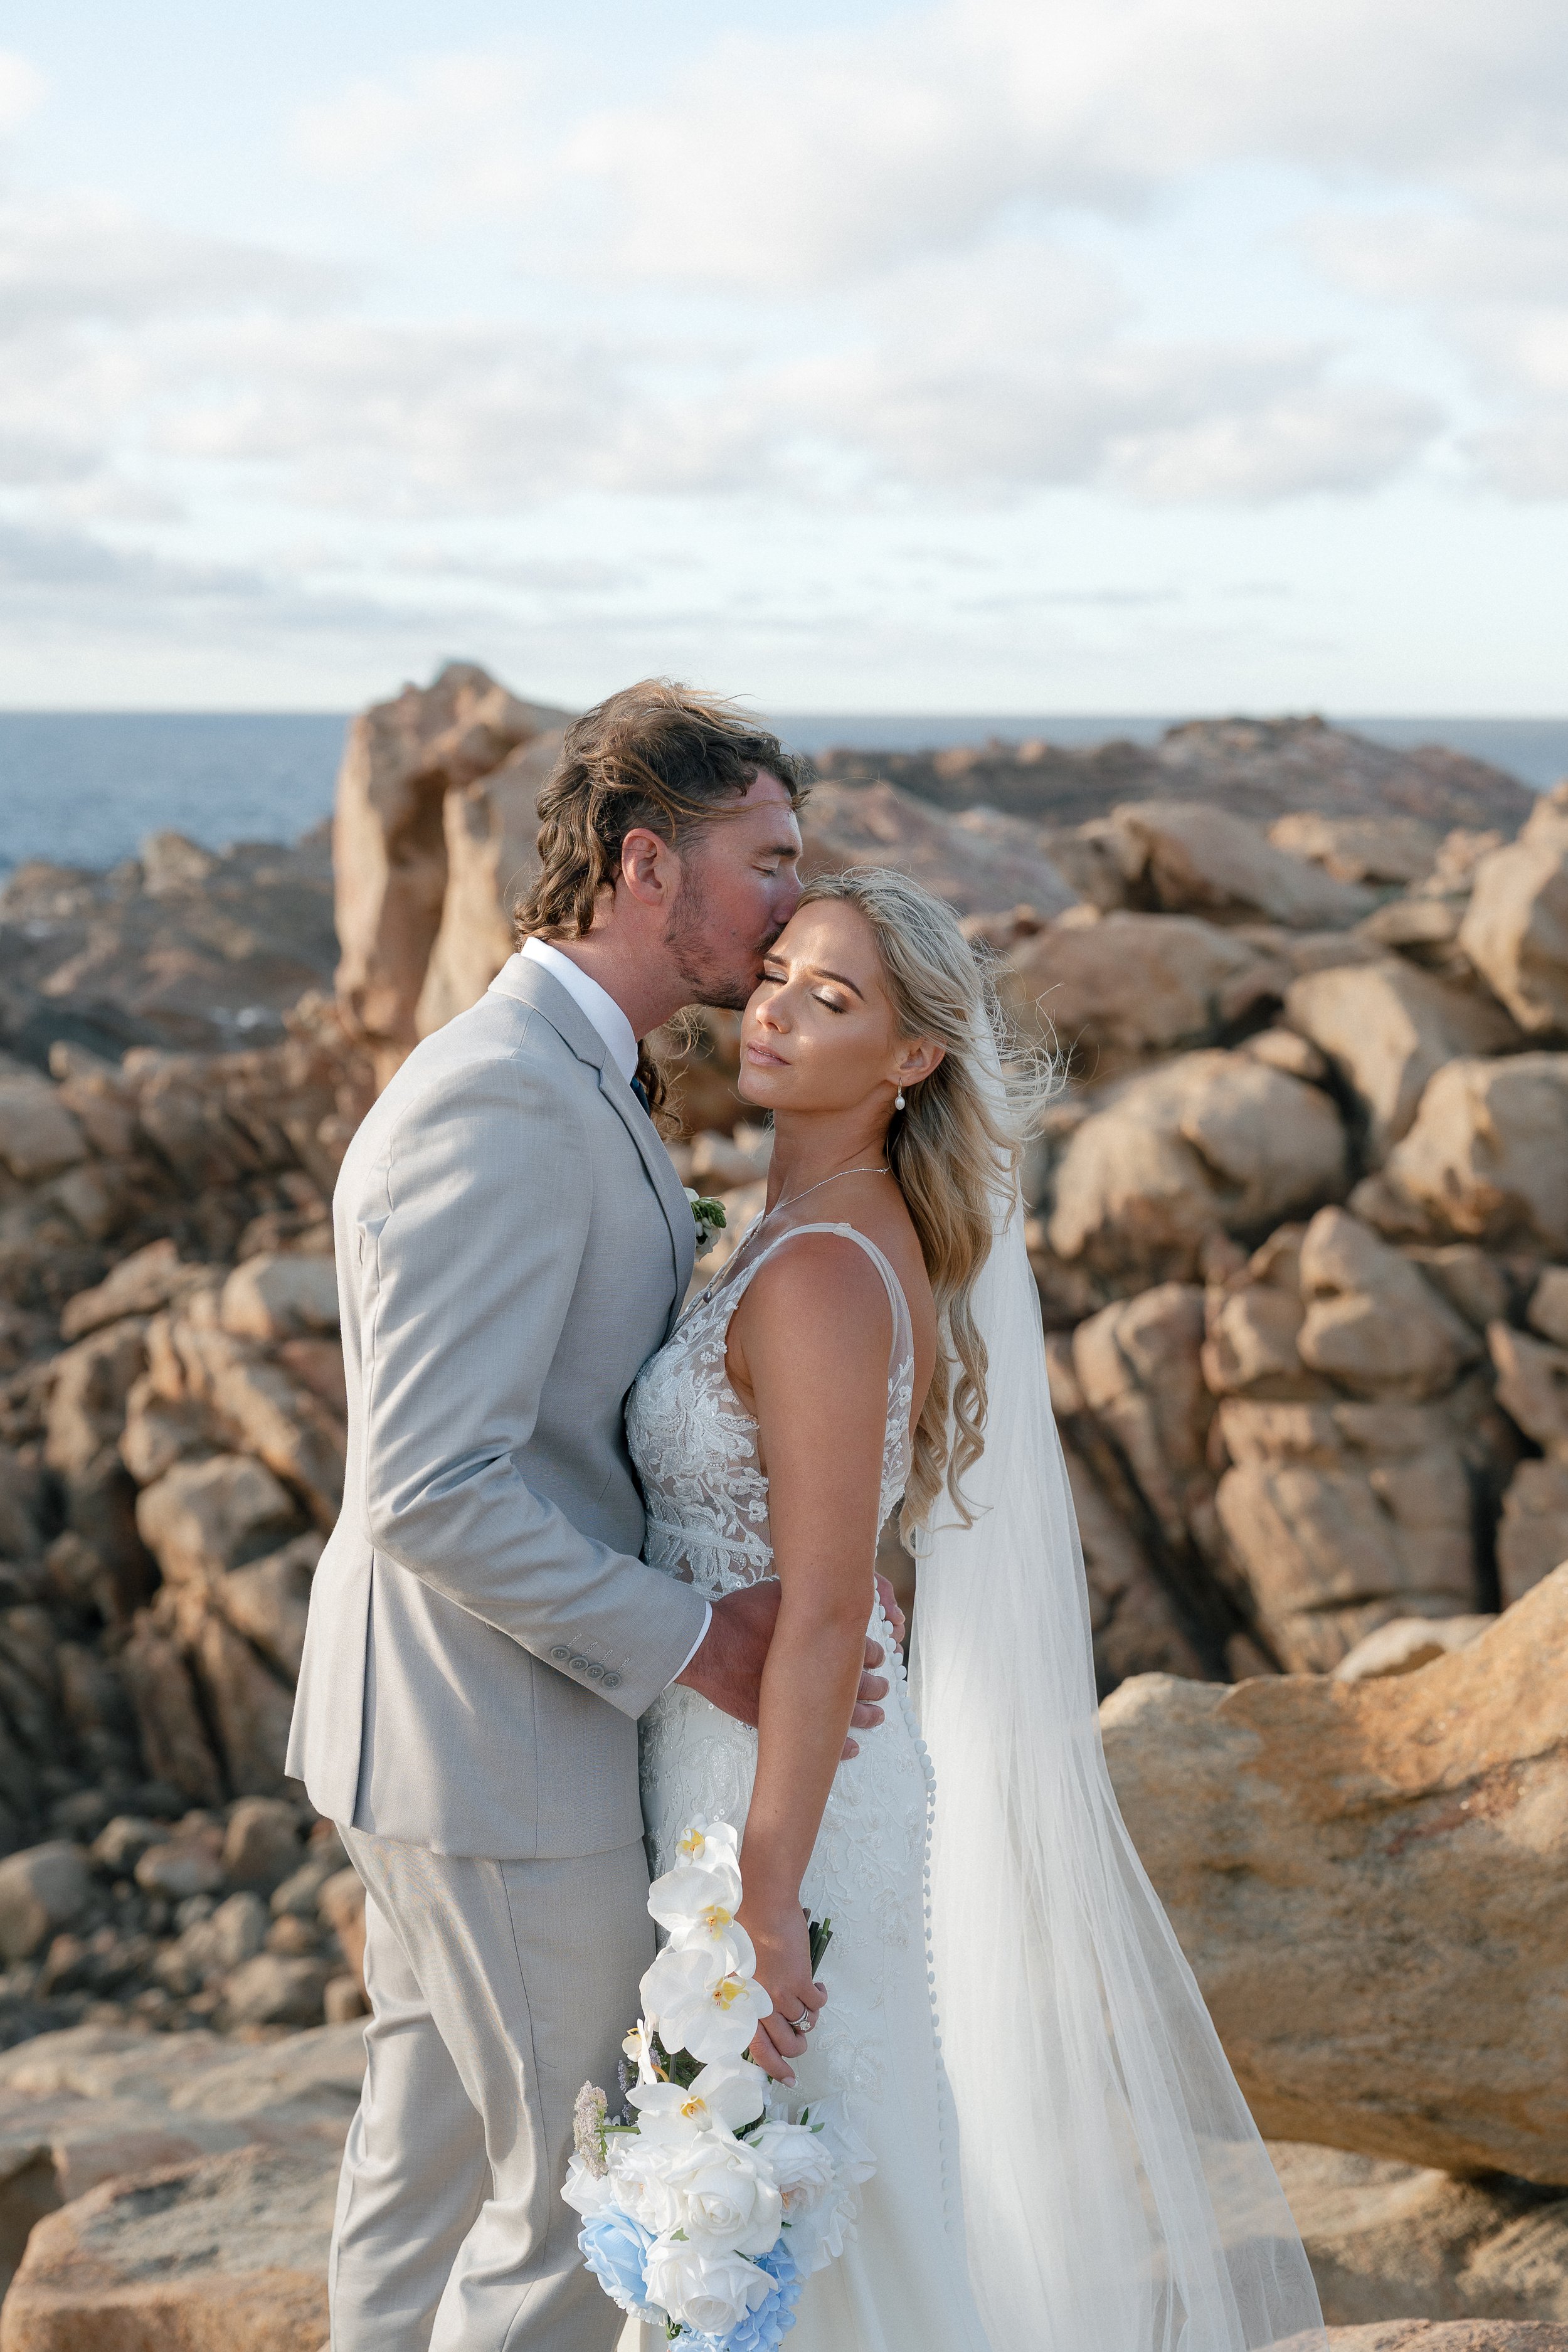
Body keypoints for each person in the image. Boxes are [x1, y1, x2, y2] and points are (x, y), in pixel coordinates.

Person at [632, 866, 1327, 2352]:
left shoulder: (820, 1266)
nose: (774, 1012)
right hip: (754, 1763)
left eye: (833, 999)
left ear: (909, 1058)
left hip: (771, 1800)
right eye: (775, 977)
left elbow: (823, 1614)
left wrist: (765, 1894)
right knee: (800, 2207)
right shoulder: (814, 1224)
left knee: (795, 2211)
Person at [285, 681, 903, 2352]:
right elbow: (431, 1482)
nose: (789, 906)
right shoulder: (503, 1092)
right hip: (496, 1746)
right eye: (765, 862)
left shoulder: (571, 1073)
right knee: (567, 2209)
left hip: (441, 1734)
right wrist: (705, 1636)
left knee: (418, 2183)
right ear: (649, 865)